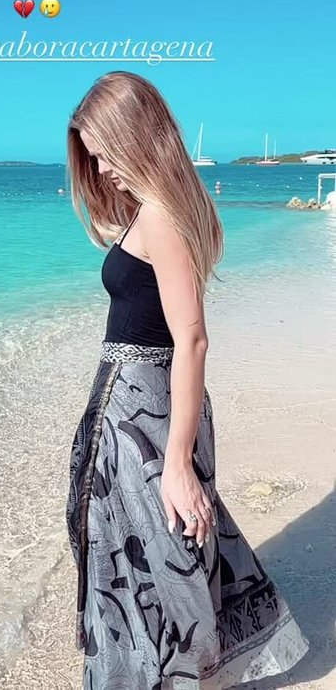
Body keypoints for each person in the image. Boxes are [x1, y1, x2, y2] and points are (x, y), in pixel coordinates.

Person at [65, 71, 309, 689]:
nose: (101, 171)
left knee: (159, 549)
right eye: (92, 159)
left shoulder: (162, 217)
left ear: (135, 137)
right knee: (148, 545)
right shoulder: (153, 212)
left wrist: (176, 461)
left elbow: (192, 339)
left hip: (148, 415)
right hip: (136, 407)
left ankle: (167, 673)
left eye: (106, 154)